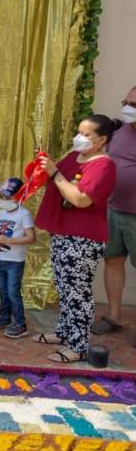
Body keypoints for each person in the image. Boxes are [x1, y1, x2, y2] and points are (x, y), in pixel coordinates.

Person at [34, 114, 118, 362]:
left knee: (78, 292)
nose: (79, 138)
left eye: (86, 134)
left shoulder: (104, 165)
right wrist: (45, 165)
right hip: (62, 231)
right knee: (63, 286)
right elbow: (54, 176)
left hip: (82, 238)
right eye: (78, 132)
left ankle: (79, 345)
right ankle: (64, 332)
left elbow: (81, 199)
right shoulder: (74, 156)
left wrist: (55, 173)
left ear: (102, 139)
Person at [91, 89, 136, 335]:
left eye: (134, 104)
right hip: (113, 210)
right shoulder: (118, 132)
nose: (127, 108)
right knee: (113, 260)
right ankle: (115, 316)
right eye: (125, 102)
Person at [0, 177, 36, 339]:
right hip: (0, 258)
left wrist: (9, 241)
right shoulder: (2, 212)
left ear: (20, 196)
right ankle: (5, 317)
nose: (3, 200)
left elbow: (31, 238)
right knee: (3, 290)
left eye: (7, 197)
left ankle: (20, 324)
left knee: (13, 292)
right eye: (2, 197)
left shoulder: (24, 214)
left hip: (15, 261)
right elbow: (0, 231)